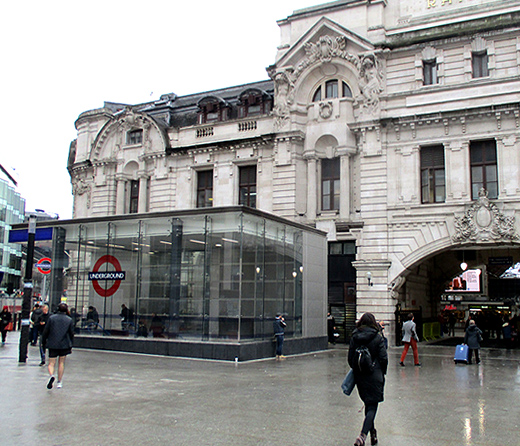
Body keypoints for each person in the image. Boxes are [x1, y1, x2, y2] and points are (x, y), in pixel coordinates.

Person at [348, 313, 388, 446]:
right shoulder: (377, 337)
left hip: (361, 376)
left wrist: (358, 369)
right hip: (375, 375)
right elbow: (383, 358)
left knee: (368, 403)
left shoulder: (355, 336)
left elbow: (350, 358)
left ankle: (373, 434)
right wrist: (382, 372)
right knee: (372, 407)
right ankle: (362, 436)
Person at [42, 303, 74, 389]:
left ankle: (51, 375)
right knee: (61, 363)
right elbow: (71, 333)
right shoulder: (69, 320)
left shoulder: (52, 318)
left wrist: (44, 341)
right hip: (64, 344)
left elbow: (46, 331)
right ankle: (59, 382)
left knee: (51, 363)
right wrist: (71, 343)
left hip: (52, 343)